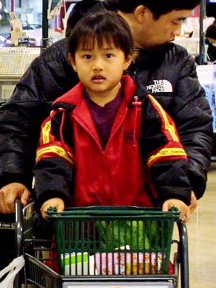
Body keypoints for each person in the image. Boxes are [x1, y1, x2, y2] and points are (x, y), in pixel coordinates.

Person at [0, 0, 213, 217]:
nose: (178, 31)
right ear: (142, 13)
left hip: (147, 218)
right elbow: (18, 121)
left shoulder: (176, 63)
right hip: (68, 217)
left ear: (126, 60)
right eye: (176, 21)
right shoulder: (60, 60)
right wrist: (12, 176)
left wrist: (183, 185)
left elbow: (195, 127)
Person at [35, 11, 191, 222]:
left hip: (139, 223)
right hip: (78, 225)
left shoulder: (145, 108)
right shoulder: (62, 114)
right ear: (73, 61)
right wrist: (52, 195)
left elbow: (166, 153)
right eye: (87, 56)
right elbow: (52, 158)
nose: (97, 66)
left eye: (108, 55)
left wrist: (174, 195)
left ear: (127, 59)